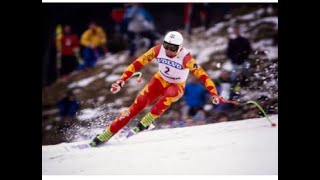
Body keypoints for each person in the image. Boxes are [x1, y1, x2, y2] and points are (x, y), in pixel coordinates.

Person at [90, 31, 228, 147]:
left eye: (172, 48)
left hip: (176, 86)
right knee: (136, 107)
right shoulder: (157, 50)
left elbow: (204, 77)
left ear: (179, 48)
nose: (168, 50)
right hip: (159, 81)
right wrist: (121, 80)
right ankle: (106, 134)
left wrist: (214, 94)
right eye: (166, 46)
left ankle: (146, 122)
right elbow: (137, 64)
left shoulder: (186, 59)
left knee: (169, 94)